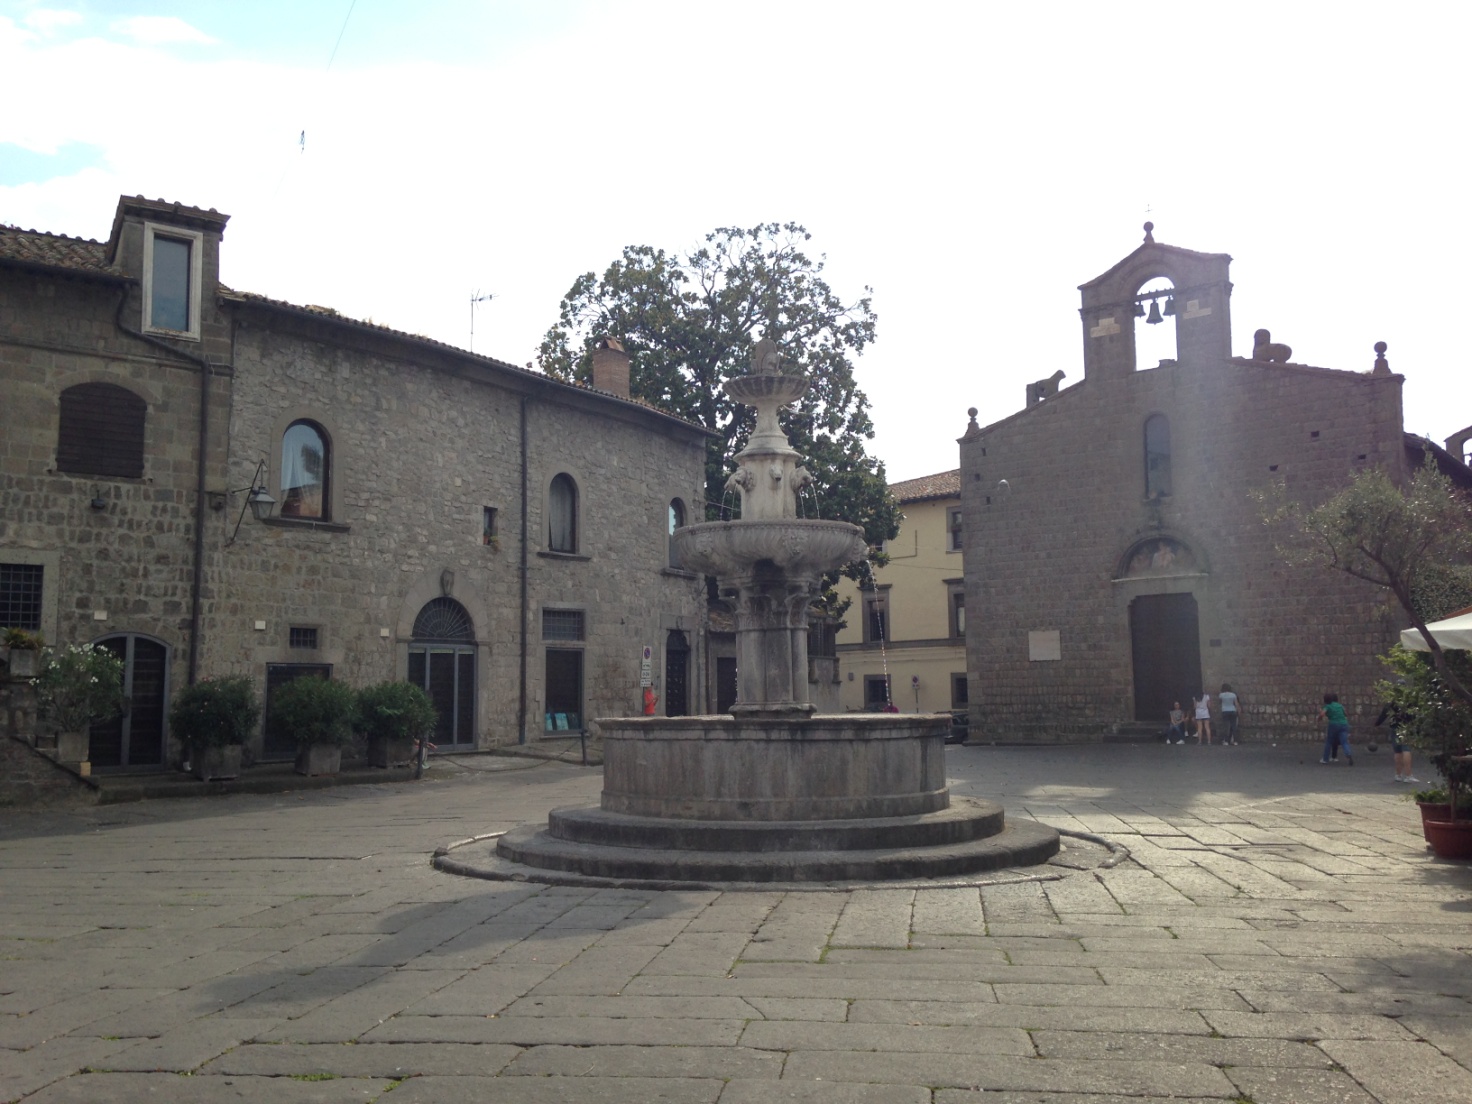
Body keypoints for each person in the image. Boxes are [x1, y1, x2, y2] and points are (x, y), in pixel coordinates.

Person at [1374, 701, 1418, 783]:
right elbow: (1413, 714)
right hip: (1405, 728)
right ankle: (1408, 775)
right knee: (1406, 749)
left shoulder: (1391, 702)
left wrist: (1377, 724)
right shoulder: (1407, 700)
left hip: (1394, 728)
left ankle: (1398, 775)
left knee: (1398, 751)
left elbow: (1384, 713)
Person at [1319, 693, 1353, 765]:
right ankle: (1348, 753)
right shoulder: (1340, 705)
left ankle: (1325, 759)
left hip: (1334, 724)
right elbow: (1346, 714)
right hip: (1344, 724)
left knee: (1329, 741)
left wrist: (1319, 718)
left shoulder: (1328, 706)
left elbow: (1322, 714)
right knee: (1344, 742)